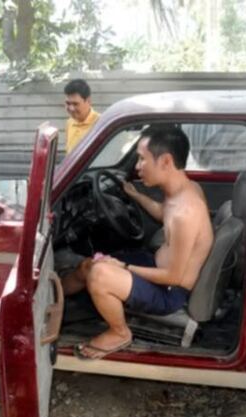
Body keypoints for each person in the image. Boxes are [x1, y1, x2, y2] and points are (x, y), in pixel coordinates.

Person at [64, 125, 214, 360]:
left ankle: (119, 332)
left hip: (169, 292)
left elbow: (174, 277)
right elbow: (163, 214)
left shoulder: (187, 212)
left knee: (100, 274)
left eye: (142, 159)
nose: (137, 167)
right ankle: (52, 301)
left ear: (165, 161)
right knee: (90, 264)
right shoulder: (185, 189)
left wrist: (123, 268)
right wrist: (134, 195)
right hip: (156, 266)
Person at [64, 79, 99, 153]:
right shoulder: (69, 123)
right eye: (68, 103)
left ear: (88, 101)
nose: (71, 108)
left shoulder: (100, 123)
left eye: (75, 104)